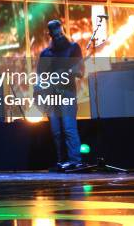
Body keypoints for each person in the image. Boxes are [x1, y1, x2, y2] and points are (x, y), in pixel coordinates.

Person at [37, 20, 85, 171]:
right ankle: (62, 161)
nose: (58, 36)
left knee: (69, 128)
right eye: (55, 34)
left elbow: (80, 72)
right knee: (56, 131)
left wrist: (67, 73)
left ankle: (75, 161)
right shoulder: (45, 54)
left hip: (67, 94)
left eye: (60, 33)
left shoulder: (73, 48)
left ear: (62, 31)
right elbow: (40, 77)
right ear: (50, 34)